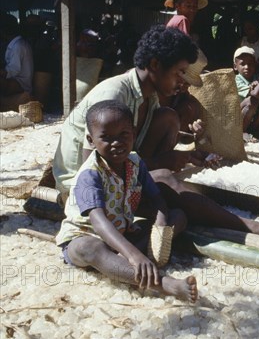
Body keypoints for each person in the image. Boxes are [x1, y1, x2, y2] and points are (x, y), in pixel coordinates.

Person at [53, 25, 259, 241]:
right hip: (87, 193)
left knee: (167, 122)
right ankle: (252, 227)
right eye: (178, 73)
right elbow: (94, 169)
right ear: (155, 65)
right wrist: (162, 164)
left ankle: (209, 214)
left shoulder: (150, 98)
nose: (182, 82)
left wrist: (183, 157)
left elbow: (130, 155)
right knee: (166, 180)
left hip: (116, 176)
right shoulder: (115, 95)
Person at [55, 100, 197, 302]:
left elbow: (156, 197)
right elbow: (99, 222)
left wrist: (161, 224)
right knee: (89, 248)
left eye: (124, 135)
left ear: (134, 133)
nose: (117, 143)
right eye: (106, 137)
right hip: (87, 235)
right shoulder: (90, 175)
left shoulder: (135, 163)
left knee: (177, 216)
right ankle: (165, 284)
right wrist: (133, 255)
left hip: (122, 232)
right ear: (91, 139)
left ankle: (130, 257)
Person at [164, 0, 208, 132]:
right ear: (177, 5)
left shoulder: (174, 21)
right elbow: (185, 53)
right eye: (188, 5)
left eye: (194, 6)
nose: (192, 10)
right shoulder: (182, 20)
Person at [0, 13, 34, 99]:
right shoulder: (16, 44)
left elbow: (13, 71)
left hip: (21, 85)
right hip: (16, 82)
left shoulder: (18, 46)